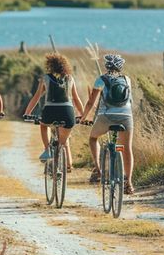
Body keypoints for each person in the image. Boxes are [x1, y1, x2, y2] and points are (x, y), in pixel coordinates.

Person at [78, 54, 135, 194]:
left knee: (93, 138)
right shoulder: (127, 79)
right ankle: (129, 182)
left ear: (106, 66)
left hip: (106, 116)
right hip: (126, 116)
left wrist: (83, 117)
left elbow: (91, 102)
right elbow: (130, 101)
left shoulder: (101, 80)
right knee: (127, 147)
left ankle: (98, 170)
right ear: (120, 67)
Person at [23, 53, 85, 170]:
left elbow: (36, 97)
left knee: (43, 125)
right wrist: (83, 115)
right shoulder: (70, 78)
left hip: (50, 111)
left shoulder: (45, 78)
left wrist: (27, 113)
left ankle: (47, 149)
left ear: (49, 65)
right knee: (63, 142)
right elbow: (76, 99)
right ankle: (64, 160)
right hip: (67, 112)